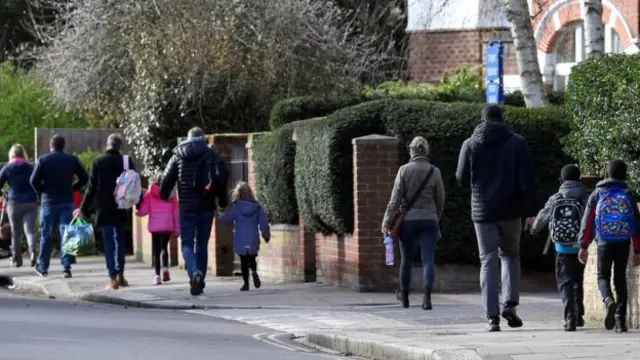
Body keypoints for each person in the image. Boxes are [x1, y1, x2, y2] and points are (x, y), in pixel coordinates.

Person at [455, 104, 536, 332]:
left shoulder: (470, 144)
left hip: (482, 212)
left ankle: (492, 318)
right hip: (511, 210)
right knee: (510, 256)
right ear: (502, 118)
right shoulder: (517, 142)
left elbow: (461, 177)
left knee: (488, 260)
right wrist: (529, 211)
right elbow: (526, 179)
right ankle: (509, 303)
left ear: (482, 119)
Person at [160, 127, 229, 296]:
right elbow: (223, 176)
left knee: (187, 244)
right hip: (206, 207)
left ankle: (195, 272)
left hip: (187, 208)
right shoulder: (211, 154)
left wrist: (164, 195)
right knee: (202, 245)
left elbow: (166, 180)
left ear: (188, 138)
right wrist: (222, 201)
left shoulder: (177, 155)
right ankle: (200, 279)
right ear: (203, 138)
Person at [381, 136, 445, 310]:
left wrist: (386, 223)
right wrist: (435, 217)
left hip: (408, 221)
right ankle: (427, 299)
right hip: (429, 220)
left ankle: (405, 297)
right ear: (425, 151)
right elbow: (440, 200)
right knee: (428, 259)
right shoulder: (435, 171)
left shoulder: (404, 170)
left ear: (413, 150)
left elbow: (395, 201)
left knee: (406, 259)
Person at [578, 160, 640, 333]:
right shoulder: (628, 194)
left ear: (607, 173)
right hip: (623, 241)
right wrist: (638, 249)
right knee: (620, 279)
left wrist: (584, 245)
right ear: (625, 175)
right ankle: (621, 322)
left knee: (603, 276)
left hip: (604, 241)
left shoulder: (597, 193)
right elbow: (636, 223)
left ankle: (608, 300)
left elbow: (588, 221)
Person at [530, 164, 588, 331]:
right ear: (579, 179)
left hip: (561, 248)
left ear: (561, 180)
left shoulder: (556, 198)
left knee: (565, 282)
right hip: (580, 248)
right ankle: (578, 315)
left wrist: (533, 230)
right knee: (578, 281)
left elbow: (541, 218)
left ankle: (570, 317)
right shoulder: (585, 197)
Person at [77, 134, 137, 290]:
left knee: (108, 242)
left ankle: (112, 278)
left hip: (103, 207)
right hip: (121, 205)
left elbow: (91, 188)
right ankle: (121, 274)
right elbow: (134, 184)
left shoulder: (98, 162)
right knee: (120, 240)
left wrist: (83, 208)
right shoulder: (126, 161)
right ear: (119, 146)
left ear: (107, 145)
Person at [30, 134, 89, 278]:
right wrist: (73, 187)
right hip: (66, 202)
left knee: (46, 235)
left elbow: (33, 181)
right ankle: (66, 268)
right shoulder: (72, 160)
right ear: (63, 146)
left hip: (48, 203)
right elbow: (85, 178)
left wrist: (41, 191)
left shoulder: (43, 160)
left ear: (51, 146)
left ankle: (43, 267)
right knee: (67, 235)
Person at [219, 181, 270, 291]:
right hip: (252, 236)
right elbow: (264, 222)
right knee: (252, 258)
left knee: (243, 261)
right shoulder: (257, 207)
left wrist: (221, 213)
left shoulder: (235, 207)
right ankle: (254, 271)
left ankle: (246, 283)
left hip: (240, 237)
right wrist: (266, 235)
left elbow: (226, 219)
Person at [136, 172, 179, 285]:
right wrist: (177, 229)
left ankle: (157, 276)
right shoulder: (172, 194)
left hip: (155, 226)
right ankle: (165, 270)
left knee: (156, 250)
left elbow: (144, 210)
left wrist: (138, 212)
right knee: (164, 247)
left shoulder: (150, 193)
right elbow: (176, 212)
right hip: (168, 225)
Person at [0, 144, 38, 268]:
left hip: (14, 203)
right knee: (30, 231)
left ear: (12, 154)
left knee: (16, 232)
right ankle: (33, 251)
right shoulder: (32, 167)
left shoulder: (7, 168)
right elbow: (38, 182)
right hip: (31, 202)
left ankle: (17, 260)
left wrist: (3, 193)